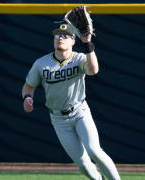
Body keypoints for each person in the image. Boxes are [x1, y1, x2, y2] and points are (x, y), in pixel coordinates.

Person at [21, 23, 121, 180]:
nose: (60, 37)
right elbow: (28, 86)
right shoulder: (41, 63)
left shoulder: (79, 58)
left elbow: (93, 70)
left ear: (73, 41)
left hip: (80, 112)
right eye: (57, 35)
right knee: (83, 164)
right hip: (58, 119)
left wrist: (87, 43)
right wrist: (27, 98)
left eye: (65, 35)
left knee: (94, 151)